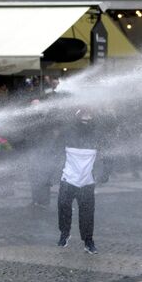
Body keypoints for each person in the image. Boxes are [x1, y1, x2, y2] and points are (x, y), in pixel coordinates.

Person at [55, 108, 108, 254]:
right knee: (63, 206)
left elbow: (105, 155)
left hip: (87, 181)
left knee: (87, 213)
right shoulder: (67, 133)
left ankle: (88, 241)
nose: (86, 118)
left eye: (89, 115)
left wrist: (104, 172)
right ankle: (64, 234)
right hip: (68, 178)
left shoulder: (97, 135)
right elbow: (56, 151)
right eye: (84, 115)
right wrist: (55, 171)